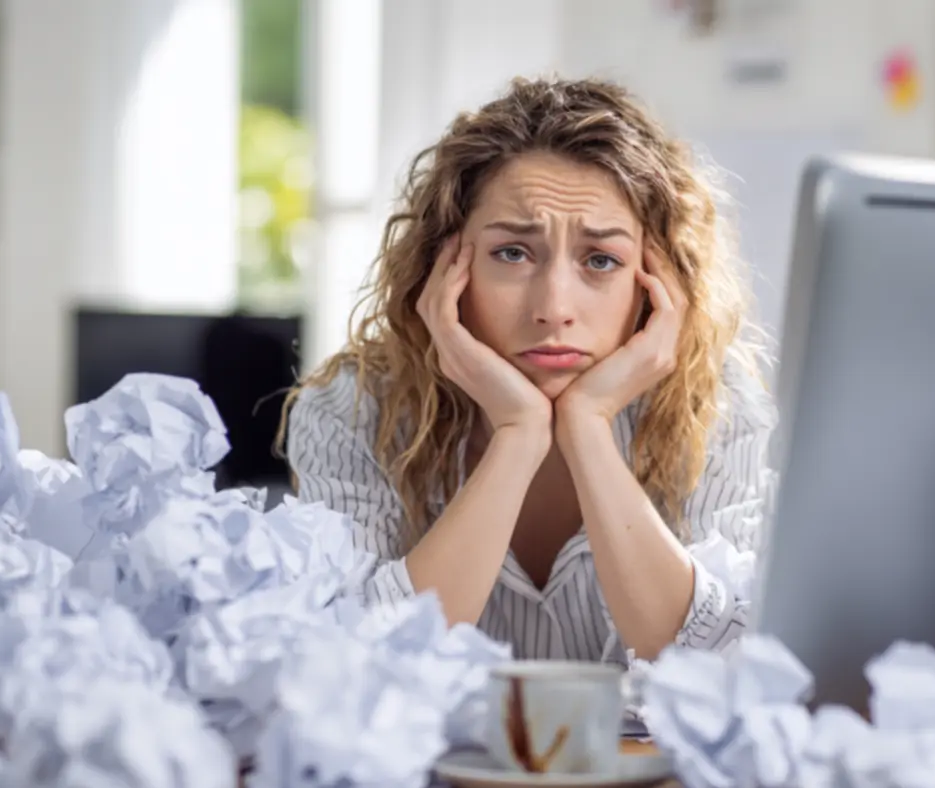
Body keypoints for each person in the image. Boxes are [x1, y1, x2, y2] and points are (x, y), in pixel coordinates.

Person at [281, 76, 774, 663]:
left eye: (601, 260)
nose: (553, 309)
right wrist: (518, 434)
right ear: (443, 267)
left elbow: (719, 665)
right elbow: (353, 659)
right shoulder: (353, 409)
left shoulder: (717, 404)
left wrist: (588, 426)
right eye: (512, 253)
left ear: (657, 284)